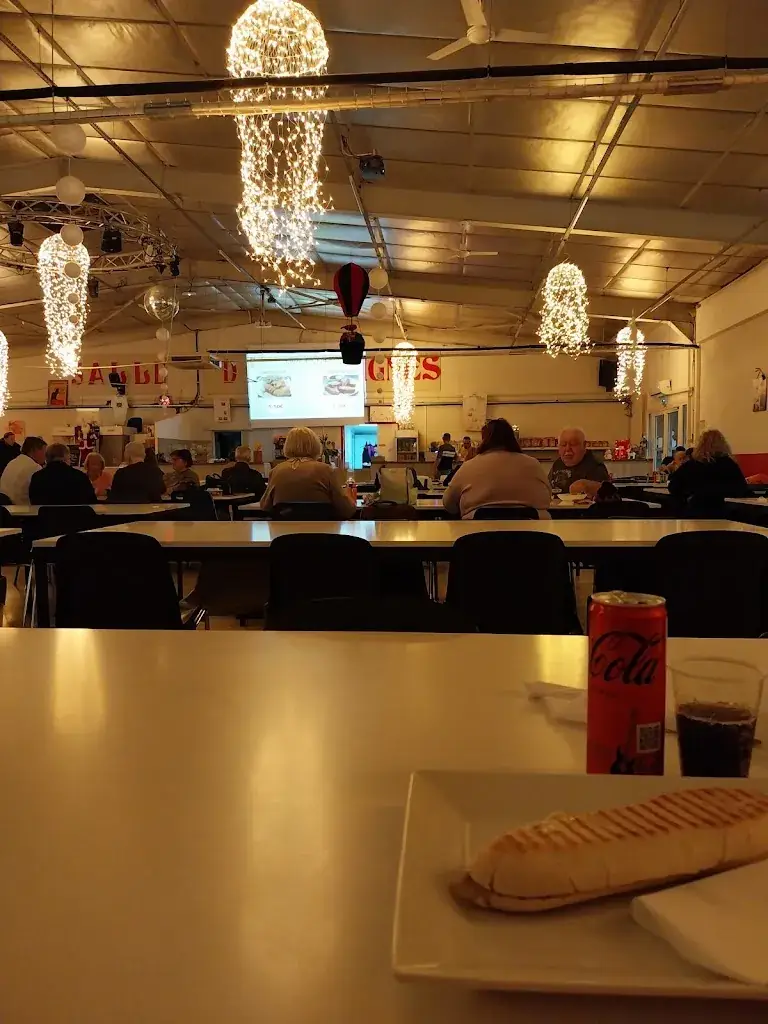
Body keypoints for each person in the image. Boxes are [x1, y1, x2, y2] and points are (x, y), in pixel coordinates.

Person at [443, 418, 552, 519]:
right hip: (532, 532)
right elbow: (548, 498)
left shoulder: (468, 467)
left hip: (477, 532)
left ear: (484, 439)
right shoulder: (534, 465)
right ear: (512, 438)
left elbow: (448, 504)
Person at [260, 426, 356, 519]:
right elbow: (347, 510)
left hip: (284, 529)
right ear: (316, 445)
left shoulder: (276, 471)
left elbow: (265, 506)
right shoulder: (326, 470)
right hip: (322, 528)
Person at [668, 429, 749, 510]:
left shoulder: (692, 465)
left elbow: (673, 486)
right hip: (723, 510)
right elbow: (742, 488)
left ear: (700, 445)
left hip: (695, 510)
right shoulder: (729, 464)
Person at [29, 443, 97, 505]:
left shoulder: (37, 477)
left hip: (47, 515)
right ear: (66, 457)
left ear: (46, 459)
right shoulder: (80, 476)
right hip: (75, 514)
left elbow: (34, 502)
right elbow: (92, 501)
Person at [549, 427, 609, 496]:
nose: (567, 449)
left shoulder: (595, 466)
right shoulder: (557, 464)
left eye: (573, 444)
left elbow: (608, 494)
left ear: (584, 445)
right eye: (563, 445)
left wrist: (590, 487)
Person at [0, 435, 46, 503]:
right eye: (44, 451)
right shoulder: (35, 467)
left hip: (4, 505)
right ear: (34, 450)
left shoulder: (13, 462)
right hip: (21, 507)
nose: (45, 455)